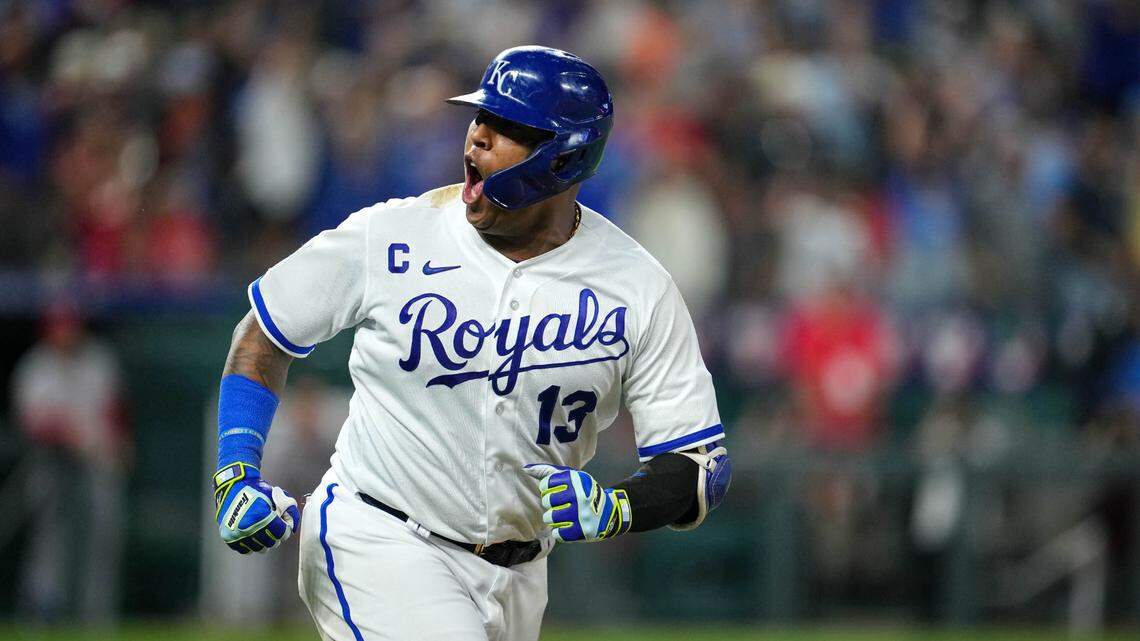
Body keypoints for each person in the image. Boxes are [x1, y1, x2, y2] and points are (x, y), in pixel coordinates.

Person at [210, 46, 731, 641]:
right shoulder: (392, 234)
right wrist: (235, 470)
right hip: (378, 536)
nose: (477, 136)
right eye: (479, 116)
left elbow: (700, 469)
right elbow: (261, 334)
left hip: (520, 576)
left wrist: (621, 508)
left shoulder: (638, 286)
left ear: (565, 156)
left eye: (506, 126)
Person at [11, 304, 128, 624]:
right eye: (60, 326)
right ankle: (42, 615)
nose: (67, 333)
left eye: (71, 325)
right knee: (49, 543)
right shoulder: (36, 366)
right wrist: (69, 434)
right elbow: (33, 424)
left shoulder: (97, 359)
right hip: (51, 464)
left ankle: (97, 618)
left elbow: (115, 411)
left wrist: (116, 443)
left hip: (96, 461)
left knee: (103, 538)